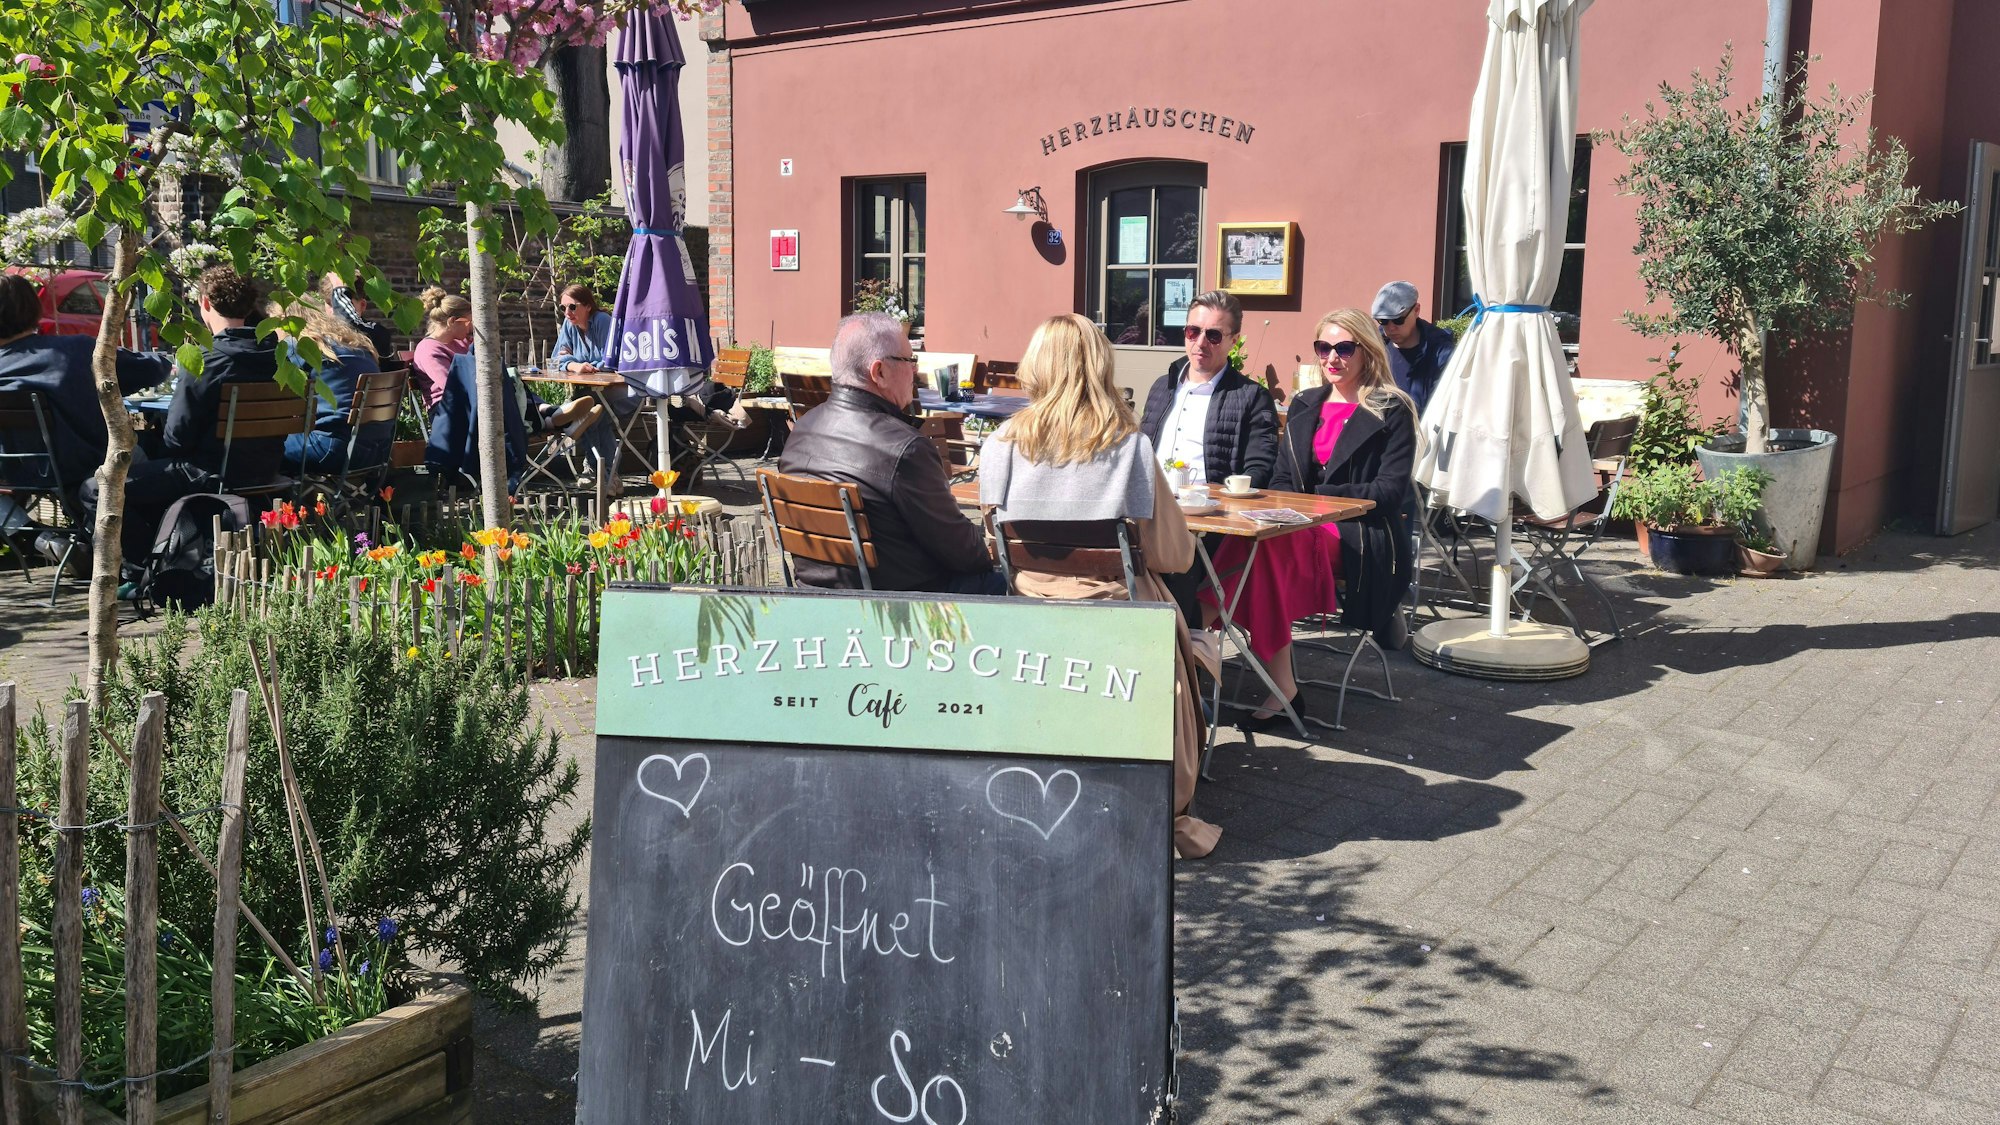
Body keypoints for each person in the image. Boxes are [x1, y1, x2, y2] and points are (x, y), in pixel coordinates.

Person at [978, 313, 1221, 857]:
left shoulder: (1001, 444)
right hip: (1116, 618)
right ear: (1100, 366)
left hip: (1030, 616)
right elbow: (1173, 555)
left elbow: (996, 543)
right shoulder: (1127, 447)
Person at [1220, 307, 1416, 728]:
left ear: (1367, 351)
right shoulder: (1307, 403)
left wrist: (1316, 499)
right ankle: (1215, 650)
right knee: (1242, 543)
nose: (1332, 358)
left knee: (1267, 552)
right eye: (1323, 347)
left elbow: (1389, 490)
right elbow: (1280, 477)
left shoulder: (1392, 409)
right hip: (1297, 526)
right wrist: (1289, 503)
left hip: (1358, 533)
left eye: (1344, 348)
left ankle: (1207, 649)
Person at [777, 311, 1002, 594]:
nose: (916, 372)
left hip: (815, 595)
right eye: (910, 360)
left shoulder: (801, 430)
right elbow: (962, 552)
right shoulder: (904, 449)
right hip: (900, 605)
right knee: (1014, 586)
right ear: (879, 372)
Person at [78, 266, 284, 562]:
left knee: (96, 490)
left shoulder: (205, 362)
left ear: (205, 303)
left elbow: (177, 440)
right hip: (266, 468)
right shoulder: (278, 357)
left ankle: (149, 567)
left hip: (210, 472)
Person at [1138, 288, 1279, 621]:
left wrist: (1217, 498)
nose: (1200, 342)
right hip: (1150, 511)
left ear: (1233, 341)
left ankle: (1183, 655)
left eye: (1213, 335)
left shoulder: (1250, 397)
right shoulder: (1163, 386)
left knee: (1179, 564)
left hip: (1209, 523)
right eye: (1193, 331)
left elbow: (1260, 467)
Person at [0, 273, 171, 521]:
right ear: (33, 308)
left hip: (12, 473)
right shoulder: (75, 351)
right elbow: (154, 369)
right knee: (155, 447)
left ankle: (42, 539)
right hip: (90, 466)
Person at [280, 300, 389, 475]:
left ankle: (268, 502)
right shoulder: (360, 346)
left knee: (261, 448)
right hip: (376, 450)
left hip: (329, 448)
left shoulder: (300, 347)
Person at [1372, 281, 1456, 418]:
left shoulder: (1441, 353)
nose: (1391, 327)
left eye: (1398, 320)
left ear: (1416, 310)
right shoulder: (1375, 345)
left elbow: (1443, 409)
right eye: (1383, 321)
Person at [411, 287, 472, 412]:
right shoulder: (429, 350)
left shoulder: (462, 342)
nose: (470, 327)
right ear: (452, 321)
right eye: (468, 322)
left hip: (468, 403)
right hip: (447, 410)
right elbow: (452, 386)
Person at [322, 272, 398, 362]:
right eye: (330, 304)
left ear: (362, 305)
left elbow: (348, 325)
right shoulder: (319, 334)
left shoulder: (377, 332)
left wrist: (340, 291)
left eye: (342, 303)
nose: (335, 311)